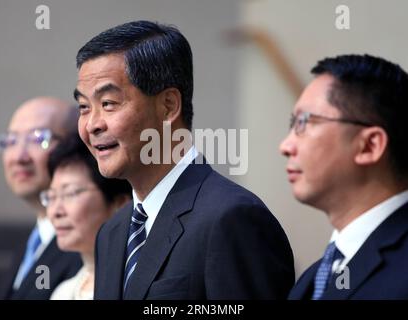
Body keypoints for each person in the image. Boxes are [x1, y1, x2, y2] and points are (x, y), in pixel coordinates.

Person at [74, 20, 294, 300]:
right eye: (84, 107)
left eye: (108, 104)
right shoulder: (111, 233)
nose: (92, 124)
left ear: (168, 106)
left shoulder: (231, 219)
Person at [280, 54, 408, 300]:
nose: (285, 146)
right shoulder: (312, 279)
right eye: (292, 124)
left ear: (369, 146)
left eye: (304, 123)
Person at [0, 97, 82, 299]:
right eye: (11, 141)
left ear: (75, 148)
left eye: (37, 138)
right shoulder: (33, 242)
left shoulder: (86, 244)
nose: (19, 157)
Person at [42, 134, 131, 300]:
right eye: (51, 196)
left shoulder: (138, 284)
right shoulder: (62, 292)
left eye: (70, 193)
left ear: (121, 203)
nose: (55, 212)